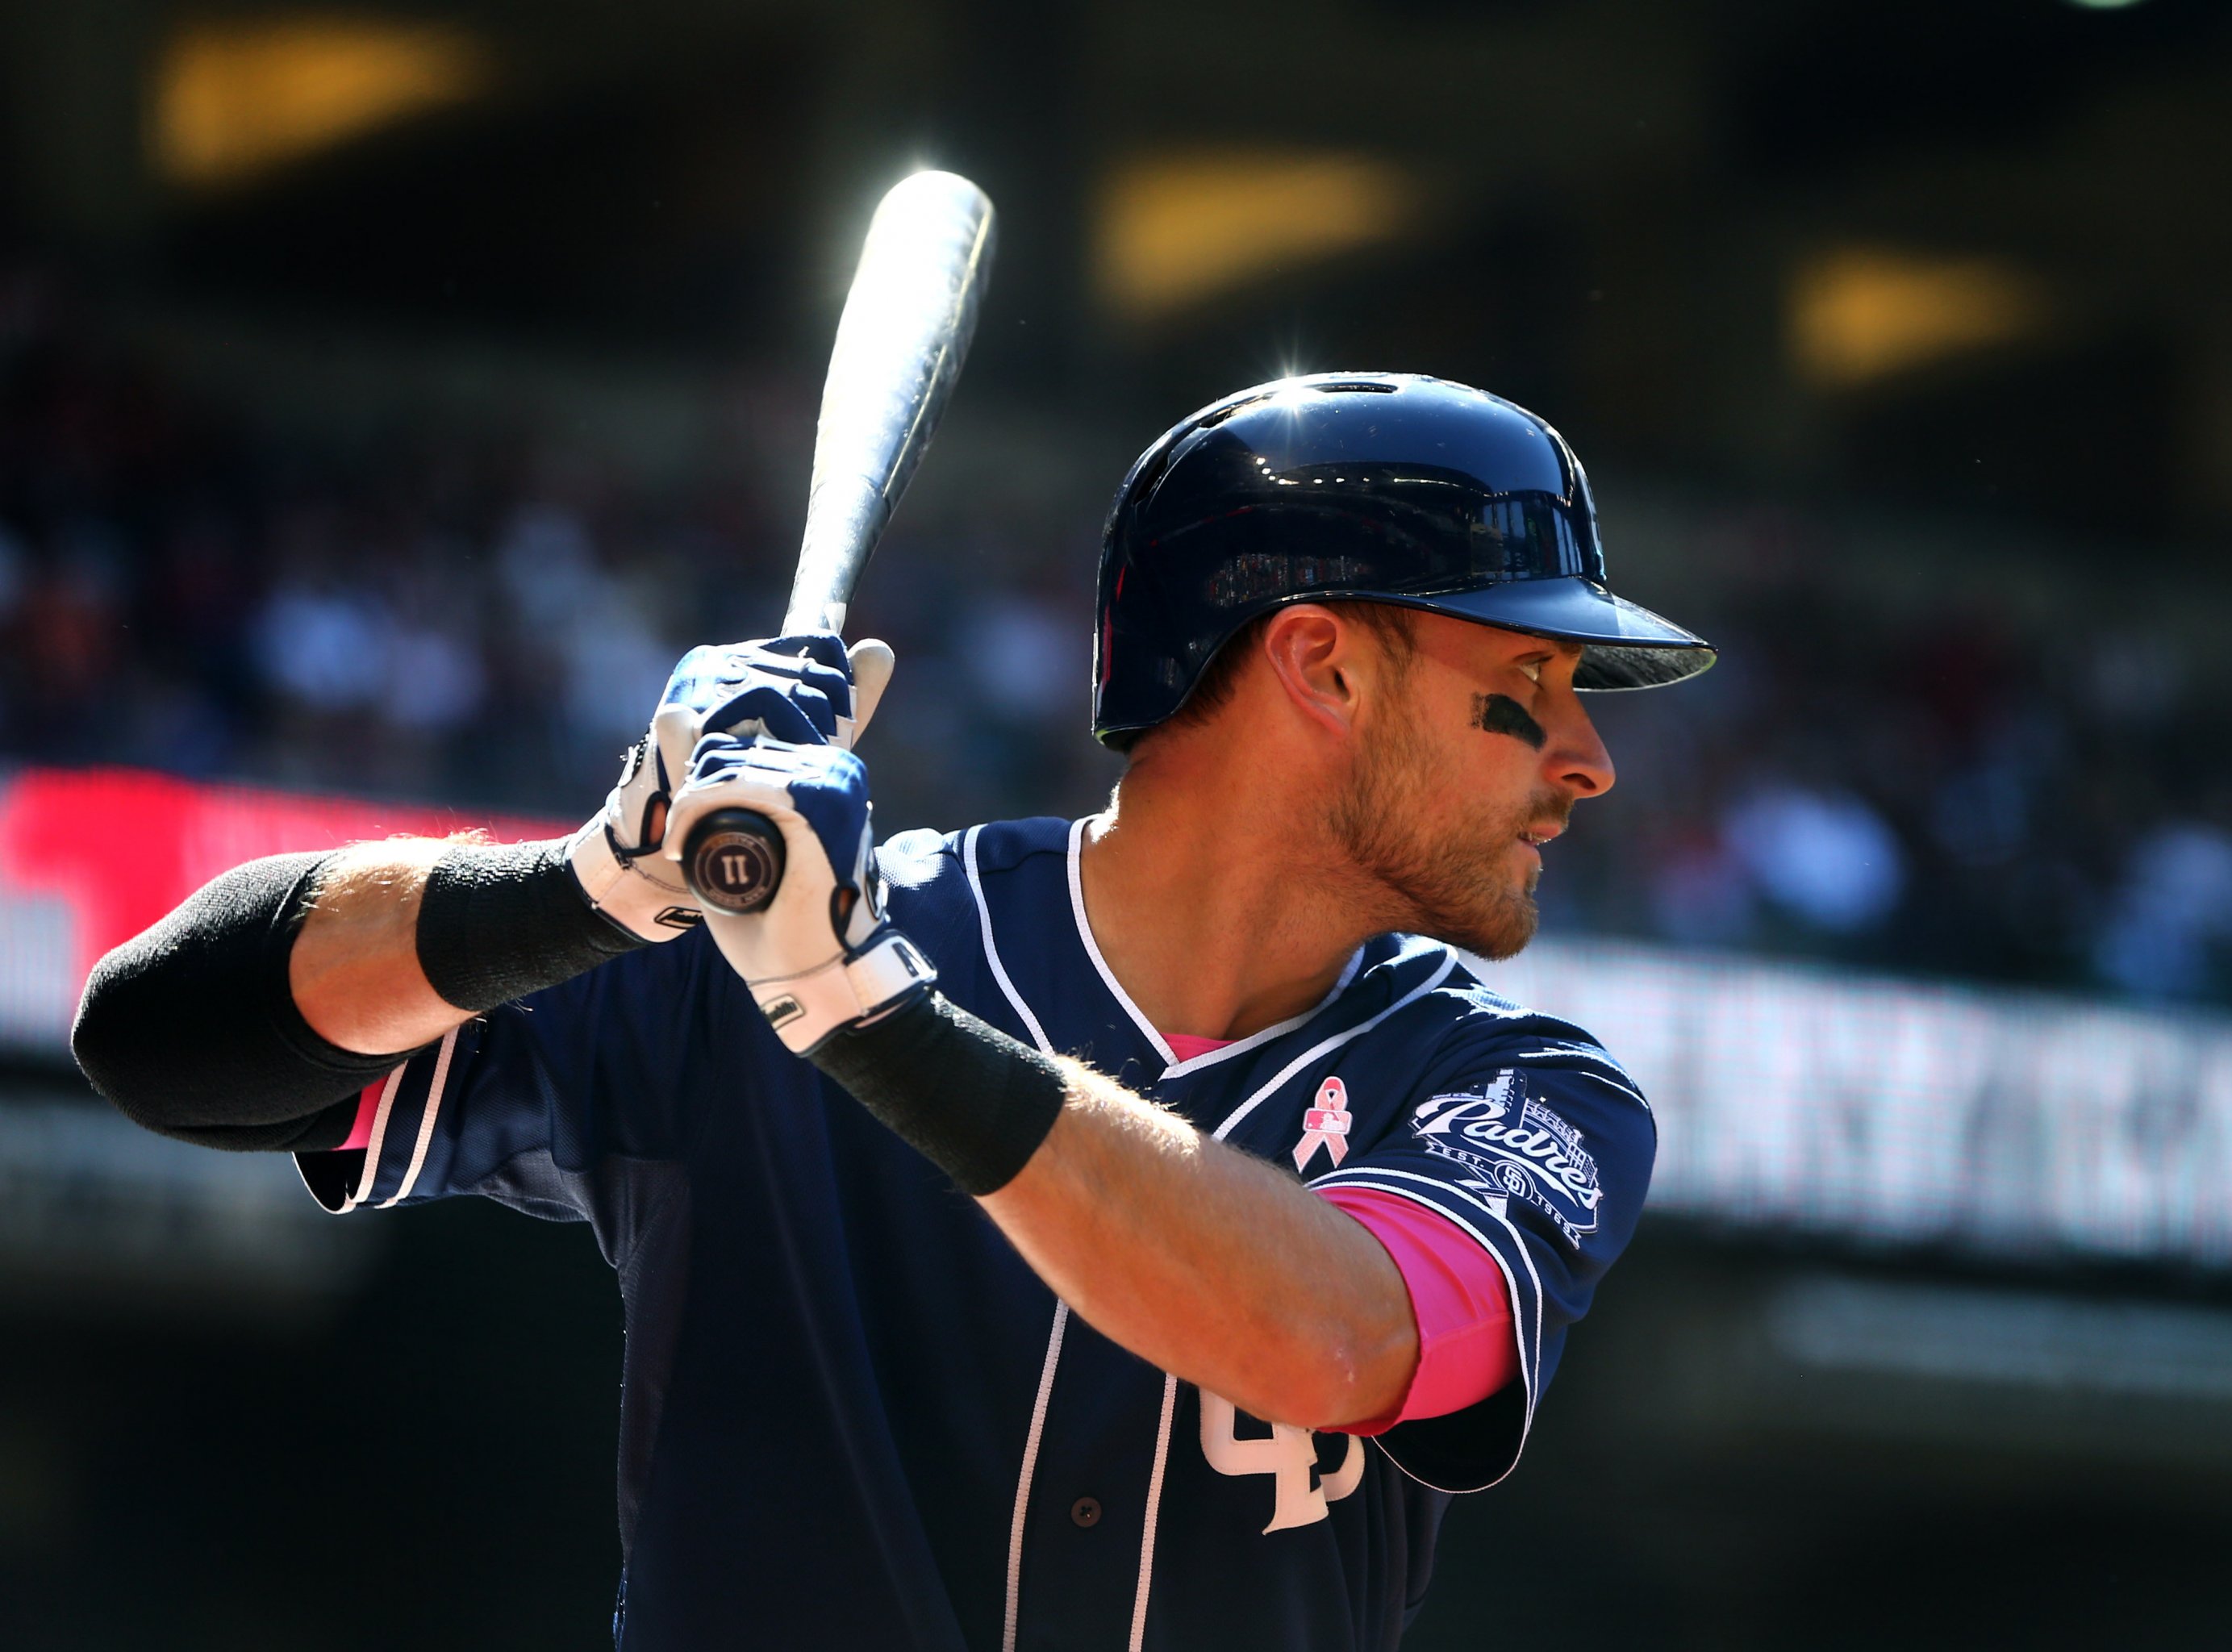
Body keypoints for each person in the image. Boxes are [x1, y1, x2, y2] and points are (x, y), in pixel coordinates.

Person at [74, 372, 1715, 1650]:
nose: (1589, 758)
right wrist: (592, 883)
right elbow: (166, 1036)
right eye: (1531, 685)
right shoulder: (760, 941)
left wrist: (865, 1013)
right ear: (1323, 667)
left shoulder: (1524, 1086)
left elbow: (1345, 1337)